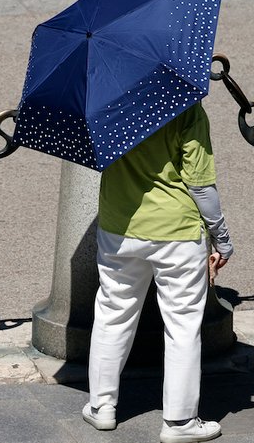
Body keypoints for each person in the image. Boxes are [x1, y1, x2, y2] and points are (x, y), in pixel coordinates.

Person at [81, 102, 234, 442]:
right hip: (177, 232)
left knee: (113, 313)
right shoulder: (185, 107)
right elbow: (201, 187)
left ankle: (101, 407)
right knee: (182, 324)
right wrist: (221, 238)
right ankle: (179, 423)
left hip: (119, 226)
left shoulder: (107, 101)